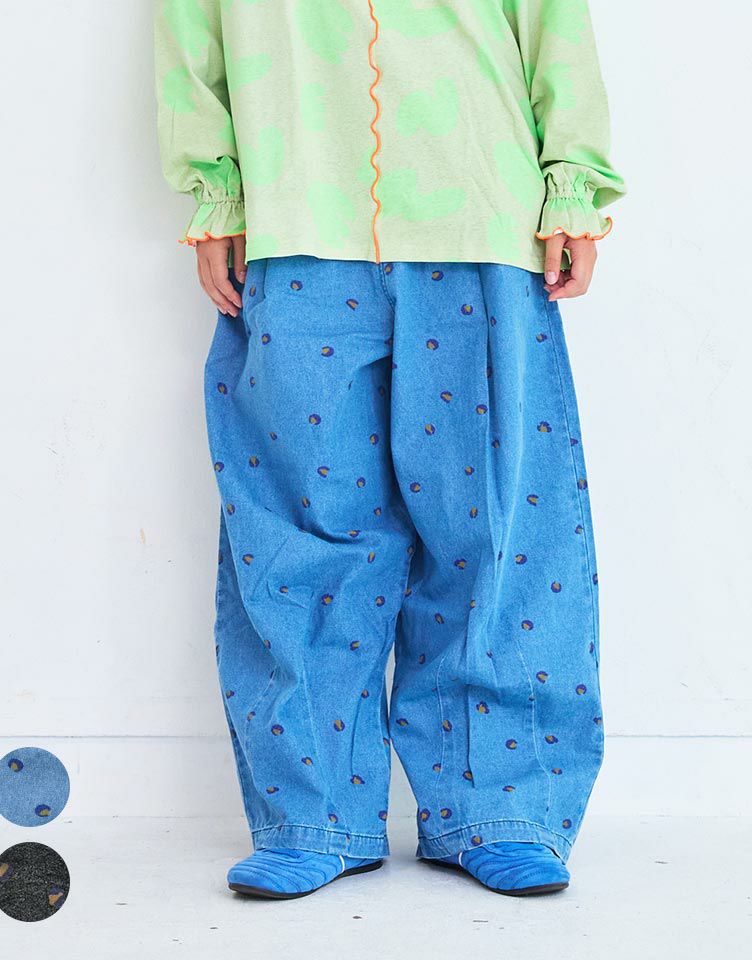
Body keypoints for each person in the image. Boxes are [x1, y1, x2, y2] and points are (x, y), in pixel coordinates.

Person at [155, 0, 625, 900]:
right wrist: (217, 194)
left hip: (482, 207)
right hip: (299, 209)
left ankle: (499, 808)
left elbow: (552, 20)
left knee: (495, 527)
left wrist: (571, 181)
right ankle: (313, 814)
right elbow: (192, 26)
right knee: (301, 533)